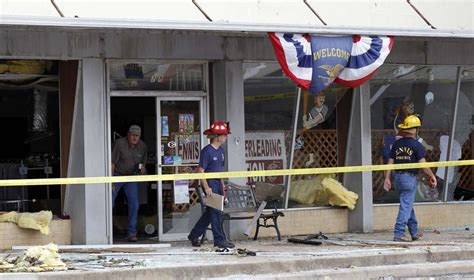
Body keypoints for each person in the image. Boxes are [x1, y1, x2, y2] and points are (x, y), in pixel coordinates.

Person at [383, 115, 437, 242]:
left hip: (397, 178)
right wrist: (432, 176)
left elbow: (389, 163)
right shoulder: (417, 145)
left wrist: (387, 178)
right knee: (406, 205)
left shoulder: (396, 144)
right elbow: (423, 165)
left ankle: (414, 231)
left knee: (407, 204)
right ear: (415, 130)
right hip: (409, 179)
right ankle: (399, 233)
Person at [187, 121, 235, 249]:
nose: (225, 138)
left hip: (217, 182)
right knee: (216, 213)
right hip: (209, 183)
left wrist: (222, 186)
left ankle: (194, 234)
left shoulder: (221, 151)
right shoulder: (207, 151)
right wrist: (207, 187)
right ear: (217, 136)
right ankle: (219, 240)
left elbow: (219, 170)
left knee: (210, 213)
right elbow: (201, 170)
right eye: (224, 135)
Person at [111, 125, 147, 242]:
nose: (134, 138)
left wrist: (142, 171)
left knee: (134, 204)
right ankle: (105, 232)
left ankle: (132, 233)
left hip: (132, 177)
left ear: (139, 136)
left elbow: (143, 164)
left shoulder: (142, 146)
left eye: (137, 136)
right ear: (128, 135)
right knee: (109, 203)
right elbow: (112, 163)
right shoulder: (119, 144)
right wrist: (110, 181)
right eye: (132, 135)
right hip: (117, 175)